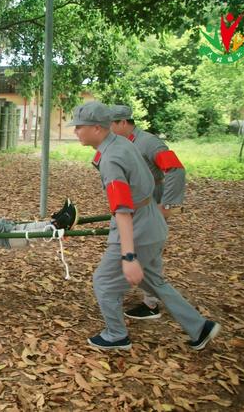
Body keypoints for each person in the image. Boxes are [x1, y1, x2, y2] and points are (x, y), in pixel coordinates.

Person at [68, 101, 219, 351]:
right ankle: (200, 327)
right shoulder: (123, 143)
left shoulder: (112, 159)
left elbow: (123, 211)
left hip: (137, 227)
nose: (76, 132)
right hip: (150, 221)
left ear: (97, 128)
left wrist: (128, 256)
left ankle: (116, 335)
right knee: (153, 282)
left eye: (79, 127)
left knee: (104, 282)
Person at [109, 105, 186, 320]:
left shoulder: (148, 143)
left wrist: (168, 204)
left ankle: (152, 304)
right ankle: (143, 296)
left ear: (123, 123)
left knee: (149, 252)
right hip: (133, 205)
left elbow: (176, 169)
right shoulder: (122, 143)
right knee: (135, 248)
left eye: (110, 125)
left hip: (152, 202)